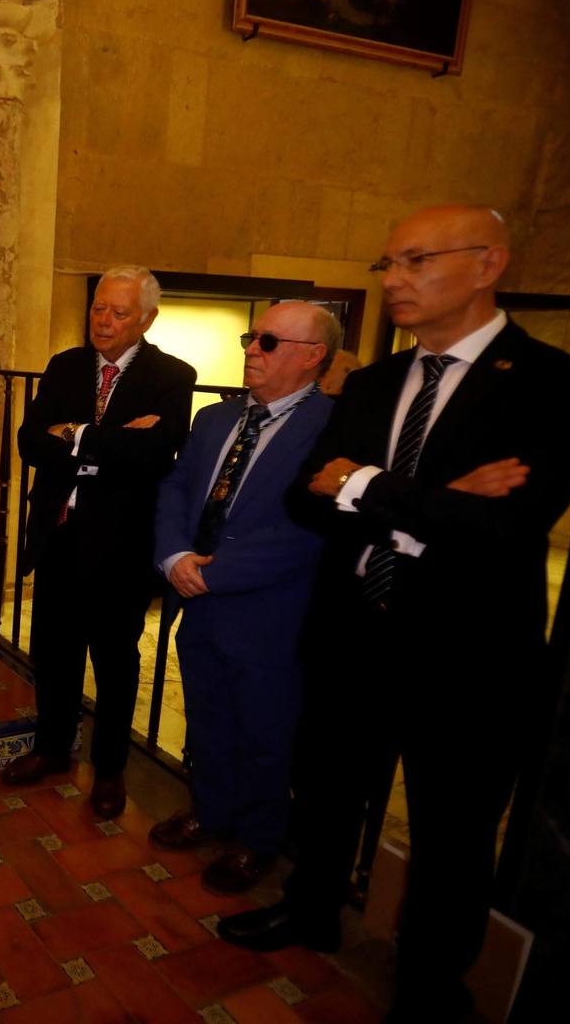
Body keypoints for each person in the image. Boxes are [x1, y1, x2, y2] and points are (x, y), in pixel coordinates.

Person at [218, 206, 570, 1024]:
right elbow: (306, 500)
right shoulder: (368, 384)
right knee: (328, 790)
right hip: (352, 630)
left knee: (453, 830)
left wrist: (363, 485)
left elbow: (508, 522)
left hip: (466, 653)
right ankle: (312, 908)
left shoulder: (563, 385)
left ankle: (433, 979)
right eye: (388, 263)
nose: (393, 280)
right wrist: (435, 501)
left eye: (415, 260)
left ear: (486, 264)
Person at [149, 301, 340, 895]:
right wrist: (176, 556)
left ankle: (257, 839)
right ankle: (212, 810)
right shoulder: (215, 418)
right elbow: (176, 488)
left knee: (265, 729)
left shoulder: (334, 428)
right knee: (207, 715)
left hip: (269, 611)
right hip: (197, 597)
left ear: (313, 357)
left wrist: (217, 572)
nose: (252, 350)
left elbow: (315, 527)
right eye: (252, 338)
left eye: (269, 342)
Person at [1, 266, 196, 818]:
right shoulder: (64, 366)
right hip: (60, 534)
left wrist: (75, 434)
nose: (104, 321)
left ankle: (110, 770)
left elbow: (152, 454)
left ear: (148, 319)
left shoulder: (172, 376)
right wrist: (106, 440)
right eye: (98, 309)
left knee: (114, 661)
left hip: (122, 545)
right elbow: (30, 442)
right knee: (54, 652)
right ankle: (52, 749)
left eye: (119, 312)